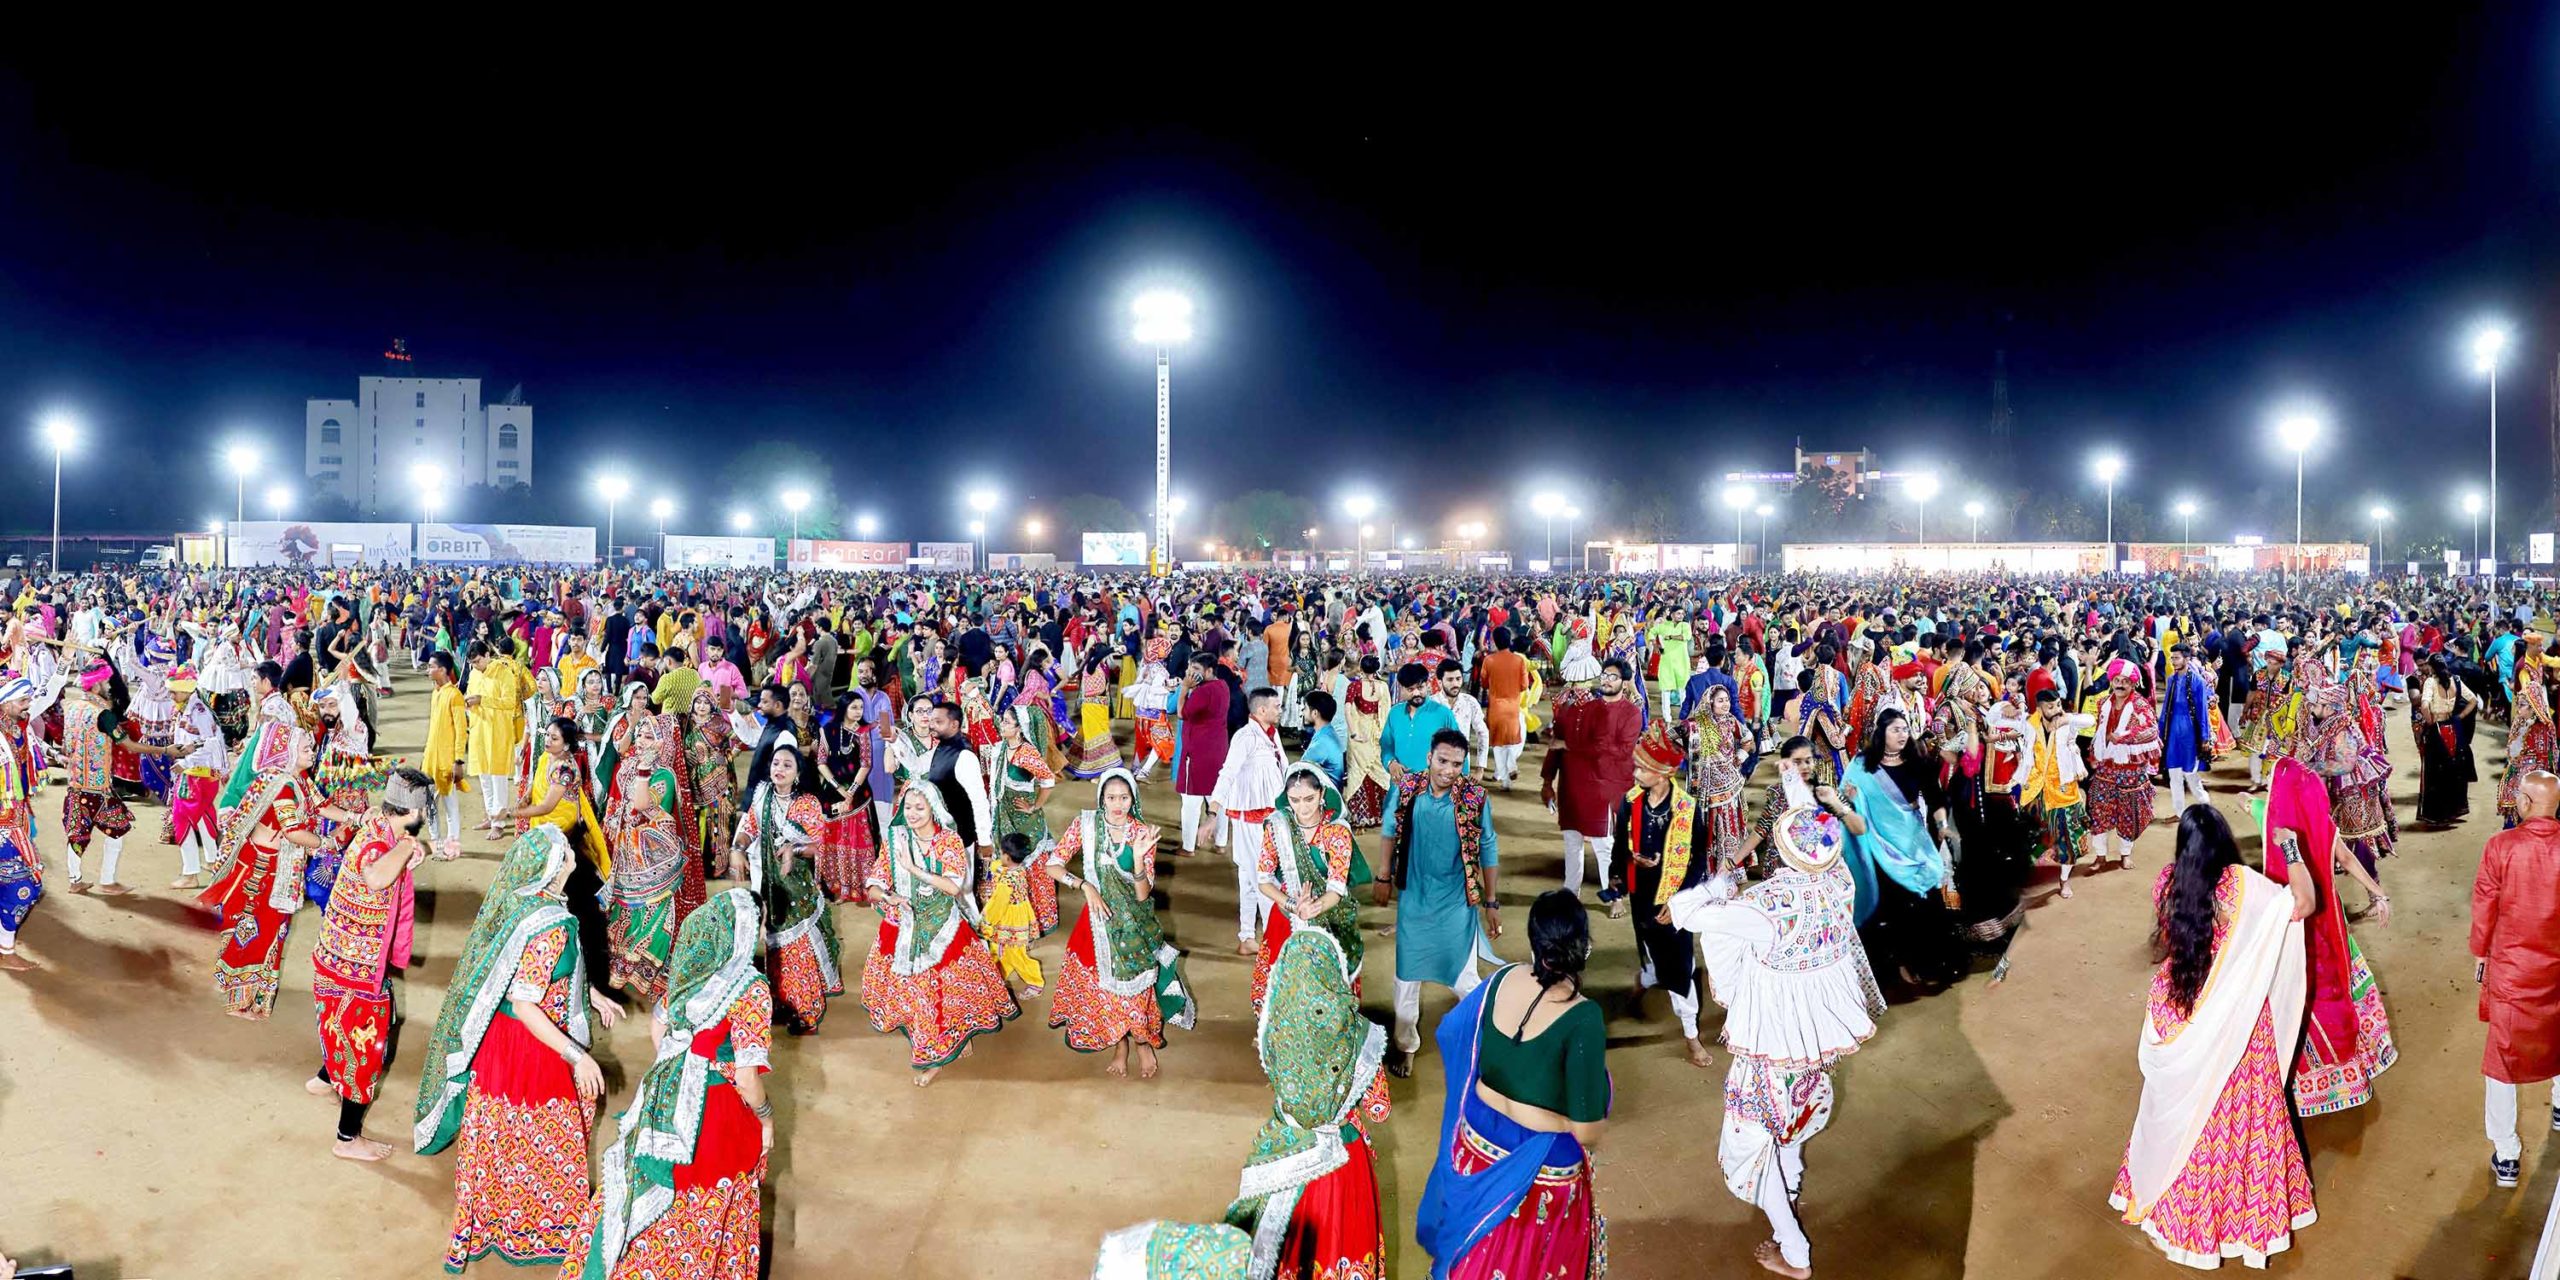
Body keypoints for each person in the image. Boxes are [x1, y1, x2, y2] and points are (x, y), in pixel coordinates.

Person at [1670, 757, 1884, 1280]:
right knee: (1791, 1128)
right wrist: (1793, 781)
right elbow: (1815, 822)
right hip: (1811, 1047)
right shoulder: (1837, 884)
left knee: (1751, 1142)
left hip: (1770, 1047)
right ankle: (1789, 1186)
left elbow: (1686, 914)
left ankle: (1796, 1252)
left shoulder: (1767, 904)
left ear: (1776, 850)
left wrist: (1719, 884)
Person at [2109, 805, 2315, 1269]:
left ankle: (2177, 1209)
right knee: (2241, 1117)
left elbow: (2172, 944)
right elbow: (2303, 904)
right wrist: (2289, 847)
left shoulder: (2166, 883)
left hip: (2183, 1011)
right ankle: (2243, 1221)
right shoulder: (2243, 887)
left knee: (2187, 1114)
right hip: (2238, 1020)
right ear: (2223, 842)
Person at [416, 827, 617, 1273]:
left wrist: (591, 995)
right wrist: (577, 1054)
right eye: (565, 851)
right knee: (547, 1136)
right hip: (534, 1045)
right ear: (554, 867)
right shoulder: (553, 924)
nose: (571, 854)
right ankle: (547, 1228)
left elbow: (531, 975)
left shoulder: (524, 902)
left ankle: (498, 1222)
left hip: (500, 1042)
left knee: (504, 1136)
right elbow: (527, 1003)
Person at [562, 887, 774, 1280]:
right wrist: (766, 1117)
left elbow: (659, 1026)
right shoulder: (751, 987)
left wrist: (679, 1063)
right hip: (717, 1108)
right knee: (712, 1187)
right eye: (761, 925)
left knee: (650, 1180)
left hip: (664, 1091)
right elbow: (747, 1079)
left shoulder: (693, 967)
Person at [1416, 889, 1608, 1280]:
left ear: (1535, 942)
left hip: (1475, 1145)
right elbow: (1587, 1133)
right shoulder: (1583, 1017)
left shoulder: (1502, 978)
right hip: (1540, 1168)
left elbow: (1452, 1031)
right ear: (1584, 946)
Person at [1221, 928, 1391, 1280]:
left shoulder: (1275, 1036)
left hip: (1292, 1157)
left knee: (1287, 1249)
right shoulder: (1362, 1035)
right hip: (1346, 1161)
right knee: (1344, 1245)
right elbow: (1379, 1110)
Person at [306, 766, 431, 1161]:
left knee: (344, 1023)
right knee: (368, 1048)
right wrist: (410, 848)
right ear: (413, 812)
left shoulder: (380, 823)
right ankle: (347, 1138)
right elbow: (376, 876)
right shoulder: (384, 845)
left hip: (338, 955)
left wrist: (410, 848)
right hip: (356, 969)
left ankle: (325, 1079)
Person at [2262, 754, 2397, 1117]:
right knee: (2334, 988)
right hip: (2328, 920)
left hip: (2291, 921)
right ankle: (2344, 1071)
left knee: (2295, 993)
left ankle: (2300, 1078)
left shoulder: (2274, 825)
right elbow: (2349, 861)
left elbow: (2255, 803)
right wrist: (2378, 894)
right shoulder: (2320, 824)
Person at [862, 782, 1020, 1085]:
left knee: (949, 992)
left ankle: (951, 1044)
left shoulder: (948, 841)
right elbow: (873, 884)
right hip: (903, 928)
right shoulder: (895, 839)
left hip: (942, 929)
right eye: (908, 807)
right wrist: (886, 896)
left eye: (920, 808)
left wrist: (914, 870)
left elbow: (954, 886)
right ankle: (934, 1050)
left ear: (933, 809)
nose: (912, 814)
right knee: (920, 996)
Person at [1046, 768, 1196, 1079]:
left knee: (1137, 988)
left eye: (1124, 797)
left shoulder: (1140, 832)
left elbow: (1143, 894)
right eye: (1111, 797)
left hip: (1133, 924)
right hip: (1097, 925)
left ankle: (1142, 1042)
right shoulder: (1085, 825)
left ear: (1133, 799)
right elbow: (1053, 864)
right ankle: (1120, 1044)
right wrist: (1085, 886)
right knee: (1104, 988)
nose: (1118, 804)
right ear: (1101, 799)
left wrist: (1139, 857)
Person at [1604, 721, 1724, 1068]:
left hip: (1674, 902)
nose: (1636, 771)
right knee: (1649, 947)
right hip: (1642, 896)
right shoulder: (1631, 801)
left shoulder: (1686, 809)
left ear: (1664, 773)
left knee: (1680, 967)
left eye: (1643, 767)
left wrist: (1680, 903)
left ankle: (1691, 1036)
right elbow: (1618, 847)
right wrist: (1622, 872)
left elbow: (1699, 857)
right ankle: (1645, 978)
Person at [1382, 730, 1501, 1078]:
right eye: (1443, 761)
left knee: (1464, 979)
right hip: (1414, 902)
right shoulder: (1408, 790)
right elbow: (1390, 829)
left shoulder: (1474, 797)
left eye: (1457, 764)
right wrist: (1383, 874)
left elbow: (1488, 847)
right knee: (1406, 979)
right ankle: (1407, 1047)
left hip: (1455, 904)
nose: (1449, 770)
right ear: (1429, 758)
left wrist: (1491, 901)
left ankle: (1490, 1038)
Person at [199, 702, 323, 1019]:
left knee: (268, 932)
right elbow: (294, 831)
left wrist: (356, 815)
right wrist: (327, 843)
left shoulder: (298, 780)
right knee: (257, 931)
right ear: (289, 753)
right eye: (306, 747)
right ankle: (240, 1001)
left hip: (269, 870)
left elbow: (322, 806)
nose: (312, 750)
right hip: (262, 872)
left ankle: (243, 990)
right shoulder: (282, 787)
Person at [2476, 770, 2560, 1188]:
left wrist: (2479, 953)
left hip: (2513, 970)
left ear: (2526, 802)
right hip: (2556, 968)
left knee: (2503, 1060)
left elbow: (2484, 908)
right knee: (2556, 1035)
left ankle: (2507, 1155)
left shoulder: (2501, 847)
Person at [1839, 708, 1962, 988]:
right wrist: (1854, 801)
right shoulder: (1862, 766)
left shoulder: (1917, 762)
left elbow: (1936, 796)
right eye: (1896, 729)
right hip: (1879, 846)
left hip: (1912, 840)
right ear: (1881, 733)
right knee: (1892, 905)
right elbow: (1845, 803)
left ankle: (1928, 963)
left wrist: (1942, 825)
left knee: (1926, 895)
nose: (1902, 734)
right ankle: (1901, 964)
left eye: (1905, 729)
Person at [734, 743, 842, 1034]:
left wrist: (793, 849)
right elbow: (751, 828)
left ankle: (806, 1013)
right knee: (775, 947)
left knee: (799, 951)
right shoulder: (763, 795)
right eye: (775, 763)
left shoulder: (807, 803)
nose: (778, 769)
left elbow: (818, 845)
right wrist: (738, 848)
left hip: (798, 890)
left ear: (797, 774)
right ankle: (782, 1003)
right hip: (773, 888)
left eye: (786, 765)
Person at [1251, 762, 1362, 1011]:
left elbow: (1336, 888)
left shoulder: (1336, 831)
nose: (1302, 807)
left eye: (1309, 799)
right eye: (1295, 800)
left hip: (1331, 915)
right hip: (1287, 914)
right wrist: (1293, 906)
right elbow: (1264, 879)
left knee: (1327, 988)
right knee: (1283, 981)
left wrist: (1313, 909)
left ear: (1322, 794)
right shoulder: (1278, 826)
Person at [601, 711, 687, 1007]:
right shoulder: (628, 766)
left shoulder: (663, 776)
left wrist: (644, 769)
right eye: (639, 734)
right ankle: (622, 967)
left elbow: (642, 805)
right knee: (624, 909)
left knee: (652, 913)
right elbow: (617, 804)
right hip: (625, 848)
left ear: (663, 744)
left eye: (650, 737)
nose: (642, 741)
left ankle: (648, 971)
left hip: (653, 856)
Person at [1542, 657, 1641, 897]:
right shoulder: (1583, 710)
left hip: (1607, 788)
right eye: (1604, 675)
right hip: (1574, 787)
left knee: (1604, 845)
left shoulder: (1631, 713)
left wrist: (1570, 745)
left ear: (1625, 683)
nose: (1606, 680)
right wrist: (1547, 781)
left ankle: (1613, 895)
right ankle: (1570, 893)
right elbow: (1556, 745)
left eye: (1613, 677)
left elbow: (1617, 751)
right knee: (1572, 842)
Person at [1211, 687, 1292, 953]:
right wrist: (1213, 812)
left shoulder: (1272, 734)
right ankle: (1271, 940)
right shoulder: (1245, 737)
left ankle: (1248, 937)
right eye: (1276, 706)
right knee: (1264, 879)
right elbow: (1227, 774)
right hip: (1251, 821)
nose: (1280, 710)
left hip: (1270, 818)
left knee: (1251, 878)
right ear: (1261, 711)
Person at [2088, 657, 2162, 867]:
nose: (2120, 684)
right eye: (2116, 679)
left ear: (2133, 683)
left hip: (2131, 770)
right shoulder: (2103, 703)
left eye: (2125, 681)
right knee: (2099, 811)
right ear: (2111, 680)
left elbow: (2152, 731)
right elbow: (2098, 734)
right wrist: (2095, 754)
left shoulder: (2140, 705)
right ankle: (2100, 856)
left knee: (2128, 813)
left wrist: (2125, 737)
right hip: (2106, 769)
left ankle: (2125, 855)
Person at [463, 641, 532, 837]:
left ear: (487, 655)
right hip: (479, 730)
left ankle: (499, 823)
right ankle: (490, 815)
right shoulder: (475, 673)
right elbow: (471, 694)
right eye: (472, 663)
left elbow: (510, 703)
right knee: (484, 776)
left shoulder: (503, 672)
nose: (475, 665)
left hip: (498, 731)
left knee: (498, 777)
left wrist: (482, 700)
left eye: (477, 661)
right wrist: (469, 703)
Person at [0, 677, 42, 970]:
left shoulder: (13, 729)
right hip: (4, 827)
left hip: (13, 820)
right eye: (22, 700)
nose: (28, 705)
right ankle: (5, 949)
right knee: (24, 885)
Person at [1176, 653, 1234, 854]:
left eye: (1197, 670)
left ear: (1209, 671)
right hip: (1218, 751)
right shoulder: (1222, 686)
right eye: (1191, 669)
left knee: (1191, 802)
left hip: (1197, 752)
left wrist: (1184, 688)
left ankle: (1188, 847)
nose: (1192, 674)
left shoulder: (1202, 692)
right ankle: (1220, 844)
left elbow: (1181, 713)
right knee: (1217, 798)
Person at [2418, 654, 2481, 826]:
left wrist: (2429, 720)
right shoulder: (2456, 681)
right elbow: (2473, 700)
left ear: (2431, 667)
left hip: (2437, 729)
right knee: (2453, 770)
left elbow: (2424, 705)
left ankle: (2438, 814)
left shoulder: (2431, 682)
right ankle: (2455, 809)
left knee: (2436, 772)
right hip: (2453, 728)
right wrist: (2460, 716)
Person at [421, 651, 471, 861]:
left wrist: (458, 761)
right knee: (429, 805)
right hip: (432, 760)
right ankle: (437, 842)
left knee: (450, 806)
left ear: (442, 670)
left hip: (447, 762)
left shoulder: (454, 695)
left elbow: (461, 730)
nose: (428, 669)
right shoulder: (436, 692)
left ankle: (453, 845)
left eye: (431, 666)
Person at [2160, 645, 2215, 816]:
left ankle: (2204, 802)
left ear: (2186, 658)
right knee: (2173, 771)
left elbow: (2203, 712)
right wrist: (2160, 733)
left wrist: (2205, 737)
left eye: (2176, 658)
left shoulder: (2197, 680)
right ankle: (2179, 812)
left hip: (2190, 731)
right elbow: (2165, 709)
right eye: (2172, 658)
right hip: (2173, 731)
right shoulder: (2172, 680)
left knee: (2189, 771)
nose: (2173, 661)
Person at [1479, 627, 1535, 789]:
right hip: (1513, 705)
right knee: (1510, 739)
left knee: (1497, 741)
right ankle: (1508, 768)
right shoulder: (1518, 660)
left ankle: (1500, 773)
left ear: (1495, 641)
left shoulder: (1489, 660)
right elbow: (1524, 685)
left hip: (1496, 705)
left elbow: (1483, 683)